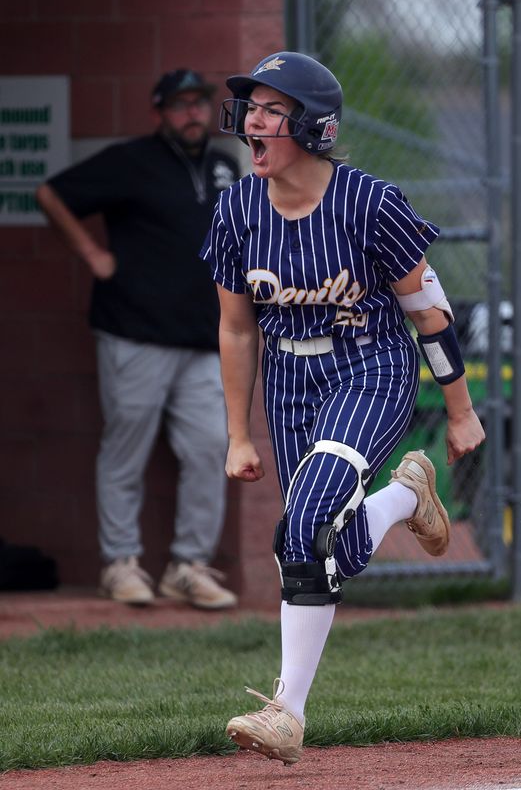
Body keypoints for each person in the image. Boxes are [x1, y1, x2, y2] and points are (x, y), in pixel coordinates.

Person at [200, 51, 486, 763]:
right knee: (323, 544)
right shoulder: (237, 209)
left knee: (304, 523)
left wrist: (458, 409)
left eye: (273, 109)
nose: (254, 121)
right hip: (289, 386)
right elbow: (237, 328)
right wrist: (238, 434)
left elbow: (428, 312)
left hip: (371, 369)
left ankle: (285, 713)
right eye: (252, 108)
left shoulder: (370, 204)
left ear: (314, 127)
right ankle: (402, 499)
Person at [37, 68, 240, 610]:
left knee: (208, 448)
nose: (192, 113)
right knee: (125, 447)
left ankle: (188, 566)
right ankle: (120, 563)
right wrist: (92, 255)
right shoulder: (131, 160)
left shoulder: (225, 166)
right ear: (160, 113)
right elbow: (51, 193)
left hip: (203, 340)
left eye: (200, 103)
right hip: (134, 333)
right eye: (180, 105)